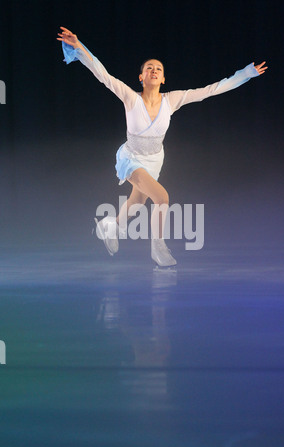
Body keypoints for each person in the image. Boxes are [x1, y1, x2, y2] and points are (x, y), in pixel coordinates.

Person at [57, 26, 268, 267]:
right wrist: (79, 45)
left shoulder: (173, 99)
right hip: (132, 158)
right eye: (149, 68)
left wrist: (246, 73)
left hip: (155, 159)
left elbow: (211, 90)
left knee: (137, 202)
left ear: (164, 78)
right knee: (162, 198)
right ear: (141, 77)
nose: (154, 70)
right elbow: (102, 74)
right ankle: (158, 247)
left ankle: (110, 226)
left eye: (159, 69)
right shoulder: (130, 97)